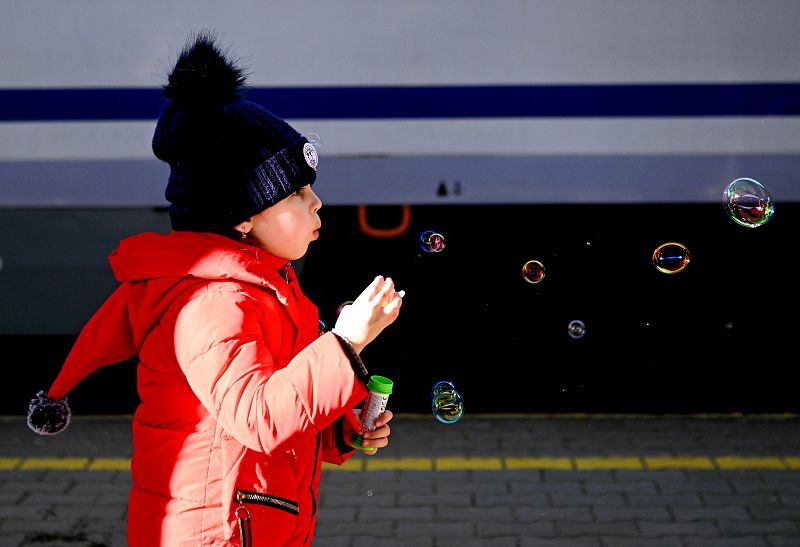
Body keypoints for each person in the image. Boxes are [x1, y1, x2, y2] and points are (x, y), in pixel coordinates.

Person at [27, 30, 403, 546]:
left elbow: (266, 416)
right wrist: (344, 345)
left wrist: (336, 432)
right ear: (242, 217)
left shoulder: (267, 288)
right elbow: (260, 418)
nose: (317, 203)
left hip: (248, 523)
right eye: (296, 193)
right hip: (214, 533)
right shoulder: (213, 302)